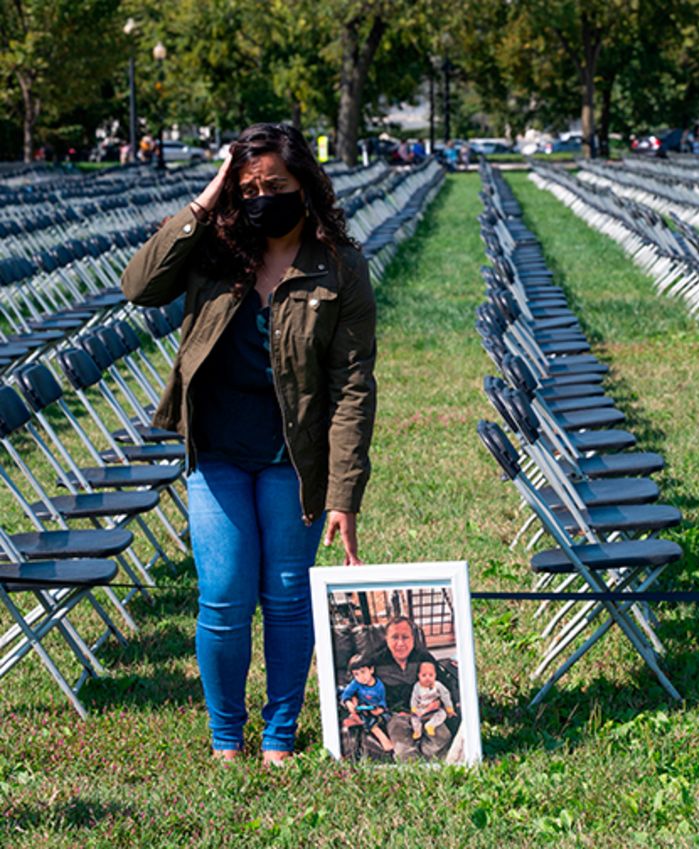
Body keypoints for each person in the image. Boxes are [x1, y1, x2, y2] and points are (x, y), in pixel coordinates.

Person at [121, 122, 377, 766]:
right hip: (219, 451)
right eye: (251, 187)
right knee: (225, 594)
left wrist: (344, 493)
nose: (265, 197)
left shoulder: (340, 267)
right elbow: (138, 285)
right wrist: (210, 196)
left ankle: (280, 735)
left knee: (289, 595)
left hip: (295, 456)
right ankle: (226, 737)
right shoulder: (215, 250)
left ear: (308, 186)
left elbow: (352, 386)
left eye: (278, 185)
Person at [371, 616, 454, 761]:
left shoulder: (424, 657)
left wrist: (438, 703)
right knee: (404, 752)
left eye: (405, 637)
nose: (400, 643)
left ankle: (429, 766)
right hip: (397, 716)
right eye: (395, 638)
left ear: (413, 639)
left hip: (428, 712)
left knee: (442, 738)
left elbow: (445, 685)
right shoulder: (375, 661)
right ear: (386, 639)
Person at [341, 655, 394, 752]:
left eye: (363, 672)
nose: (361, 677)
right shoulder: (356, 683)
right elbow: (346, 694)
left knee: (383, 718)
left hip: (374, 709)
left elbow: (382, 701)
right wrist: (349, 703)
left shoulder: (379, 686)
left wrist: (380, 709)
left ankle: (357, 721)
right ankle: (384, 740)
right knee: (369, 721)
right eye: (356, 674)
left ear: (371, 670)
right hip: (361, 709)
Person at [409, 659, 455, 740]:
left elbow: (445, 695)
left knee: (442, 714)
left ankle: (430, 725)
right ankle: (417, 730)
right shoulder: (417, 686)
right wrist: (414, 708)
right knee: (414, 718)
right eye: (424, 675)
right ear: (418, 675)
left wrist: (449, 708)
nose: (427, 678)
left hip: (435, 709)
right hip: (421, 708)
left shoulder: (438, 685)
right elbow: (414, 698)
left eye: (431, 675)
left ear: (435, 675)